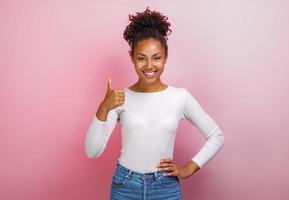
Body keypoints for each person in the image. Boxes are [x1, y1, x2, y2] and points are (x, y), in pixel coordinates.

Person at [84, 7, 225, 200]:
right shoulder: (119, 99)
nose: (149, 66)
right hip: (125, 186)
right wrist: (103, 107)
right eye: (142, 58)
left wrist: (189, 168)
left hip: (165, 187)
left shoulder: (180, 97)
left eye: (156, 58)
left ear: (165, 57)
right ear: (132, 58)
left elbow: (216, 135)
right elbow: (92, 151)